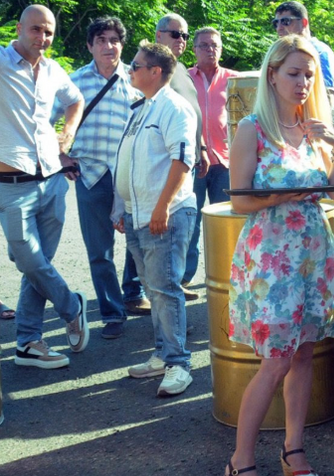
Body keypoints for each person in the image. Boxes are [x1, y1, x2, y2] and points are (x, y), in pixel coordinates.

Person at [224, 34, 334, 476]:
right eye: (293, 73)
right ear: (272, 75)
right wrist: (280, 197)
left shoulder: (313, 128)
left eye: (309, 75)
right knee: (275, 362)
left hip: (312, 254)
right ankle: (239, 463)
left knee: (303, 354)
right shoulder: (252, 129)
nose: (302, 83)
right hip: (272, 258)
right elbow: (239, 202)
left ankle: (293, 449)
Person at [0, 4, 88, 369]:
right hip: (12, 186)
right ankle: (71, 305)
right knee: (30, 261)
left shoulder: (53, 70)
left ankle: (28, 343)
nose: (43, 37)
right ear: (19, 29)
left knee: (39, 266)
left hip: (52, 181)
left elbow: (76, 100)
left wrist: (68, 134)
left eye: (48, 31)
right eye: (36, 29)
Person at [112, 41, 198, 397]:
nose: (130, 70)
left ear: (155, 71)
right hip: (138, 214)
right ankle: (164, 355)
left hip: (165, 214)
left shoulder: (174, 107)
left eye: (135, 65)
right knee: (154, 290)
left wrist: (162, 206)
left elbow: (183, 159)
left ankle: (179, 364)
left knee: (165, 289)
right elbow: (128, 160)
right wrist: (121, 207)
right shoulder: (142, 108)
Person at [58, 16, 148, 340]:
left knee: (141, 243)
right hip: (91, 175)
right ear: (89, 46)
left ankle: (141, 297)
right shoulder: (74, 81)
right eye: (101, 40)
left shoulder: (136, 79)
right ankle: (112, 313)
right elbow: (46, 120)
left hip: (131, 175)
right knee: (100, 251)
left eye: (114, 40)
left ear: (122, 45)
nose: (108, 46)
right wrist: (62, 156)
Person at [156, 13, 207, 300]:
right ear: (159, 36)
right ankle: (139, 289)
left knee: (182, 227)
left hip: (190, 160)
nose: (182, 40)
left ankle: (175, 282)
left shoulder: (181, 70)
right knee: (158, 226)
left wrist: (201, 148)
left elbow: (191, 113)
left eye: (185, 35)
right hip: (167, 161)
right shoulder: (154, 68)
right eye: (175, 34)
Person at [186, 27, 241, 287]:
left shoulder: (234, 80)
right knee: (190, 222)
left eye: (215, 46)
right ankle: (184, 279)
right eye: (205, 45)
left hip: (226, 162)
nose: (210, 50)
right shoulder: (183, 79)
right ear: (194, 49)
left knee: (225, 222)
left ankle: (228, 275)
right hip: (192, 162)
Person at [273, 1, 334, 155]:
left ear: (304, 23)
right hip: (299, 143)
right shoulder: (285, 54)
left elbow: (326, 99)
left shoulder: (320, 53)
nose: (279, 27)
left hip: (324, 146)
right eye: (276, 23)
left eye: (286, 21)